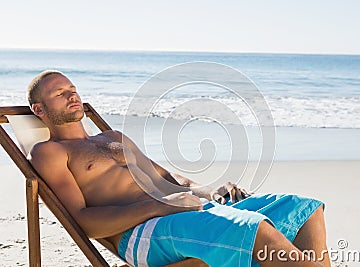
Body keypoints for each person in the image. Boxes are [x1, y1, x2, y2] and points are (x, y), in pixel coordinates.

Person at [28, 70, 331, 267]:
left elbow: (165, 178)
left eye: (72, 88)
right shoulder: (49, 153)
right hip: (141, 234)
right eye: (59, 93)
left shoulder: (112, 138)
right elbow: (84, 222)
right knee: (255, 228)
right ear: (39, 110)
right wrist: (156, 206)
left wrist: (211, 191)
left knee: (304, 208)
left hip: (184, 210)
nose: (72, 95)